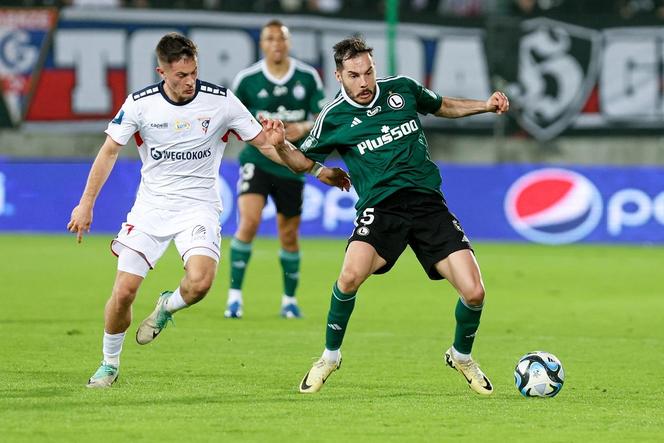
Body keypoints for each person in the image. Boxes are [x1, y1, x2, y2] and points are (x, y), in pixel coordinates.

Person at [67, 32, 349, 388]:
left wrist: (317, 170)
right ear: (162, 72)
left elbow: (265, 144)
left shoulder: (222, 102)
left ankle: (167, 306)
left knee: (200, 283)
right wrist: (86, 202)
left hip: (198, 207)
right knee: (123, 292)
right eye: (180, 76)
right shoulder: (140, 105)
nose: (189, 82)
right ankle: (109, 363)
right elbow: (109, 151)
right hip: (151, 209)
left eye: (193, 73)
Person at [270, 36, 509, 395]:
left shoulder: (402, 90)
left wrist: (486, 106)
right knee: (349, 278)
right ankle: (329, 357)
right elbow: (303, 161)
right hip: (380, 208)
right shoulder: (334, 117)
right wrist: (280, 146)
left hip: (428, 204)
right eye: (353, 75)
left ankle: (461, 355)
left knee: (475, 292)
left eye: (368, 72)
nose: (363, 82)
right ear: (338, 75)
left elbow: (442, 105)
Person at [224, 20, 326, 320]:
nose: (276, 44)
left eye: (281, 38)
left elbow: (323, 115)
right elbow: (232, 116)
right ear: (262, 44)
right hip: (257, 161)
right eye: (270, 38)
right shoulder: (248, 79)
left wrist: (304, 126)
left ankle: (289, 300)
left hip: (291, 165)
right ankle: (234, 298)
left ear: (288, 43)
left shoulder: (307, 77)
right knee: (249, 222)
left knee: (289, 234)